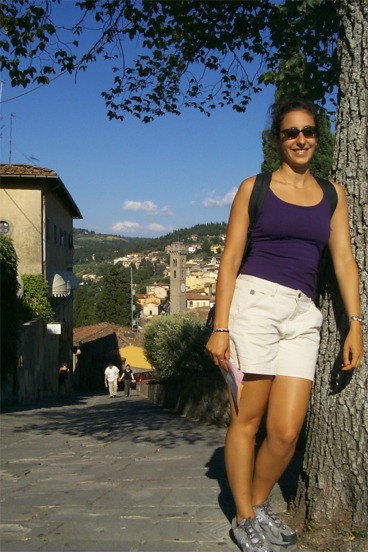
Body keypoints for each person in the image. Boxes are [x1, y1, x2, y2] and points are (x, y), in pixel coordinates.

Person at [206, 97, 363, 552]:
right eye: (291, 132)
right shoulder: (253, 187)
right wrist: (220, 326)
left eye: (308, 132)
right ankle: (245, 517)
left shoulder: (332, 195)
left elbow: (345, 261)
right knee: (247, 421)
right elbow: (230, 259)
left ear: (318, 137)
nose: (301, 139)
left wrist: (354, 323)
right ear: (277, 140)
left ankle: (256, 504)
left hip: (302, 314)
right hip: (253, 306)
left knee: (287, 432)